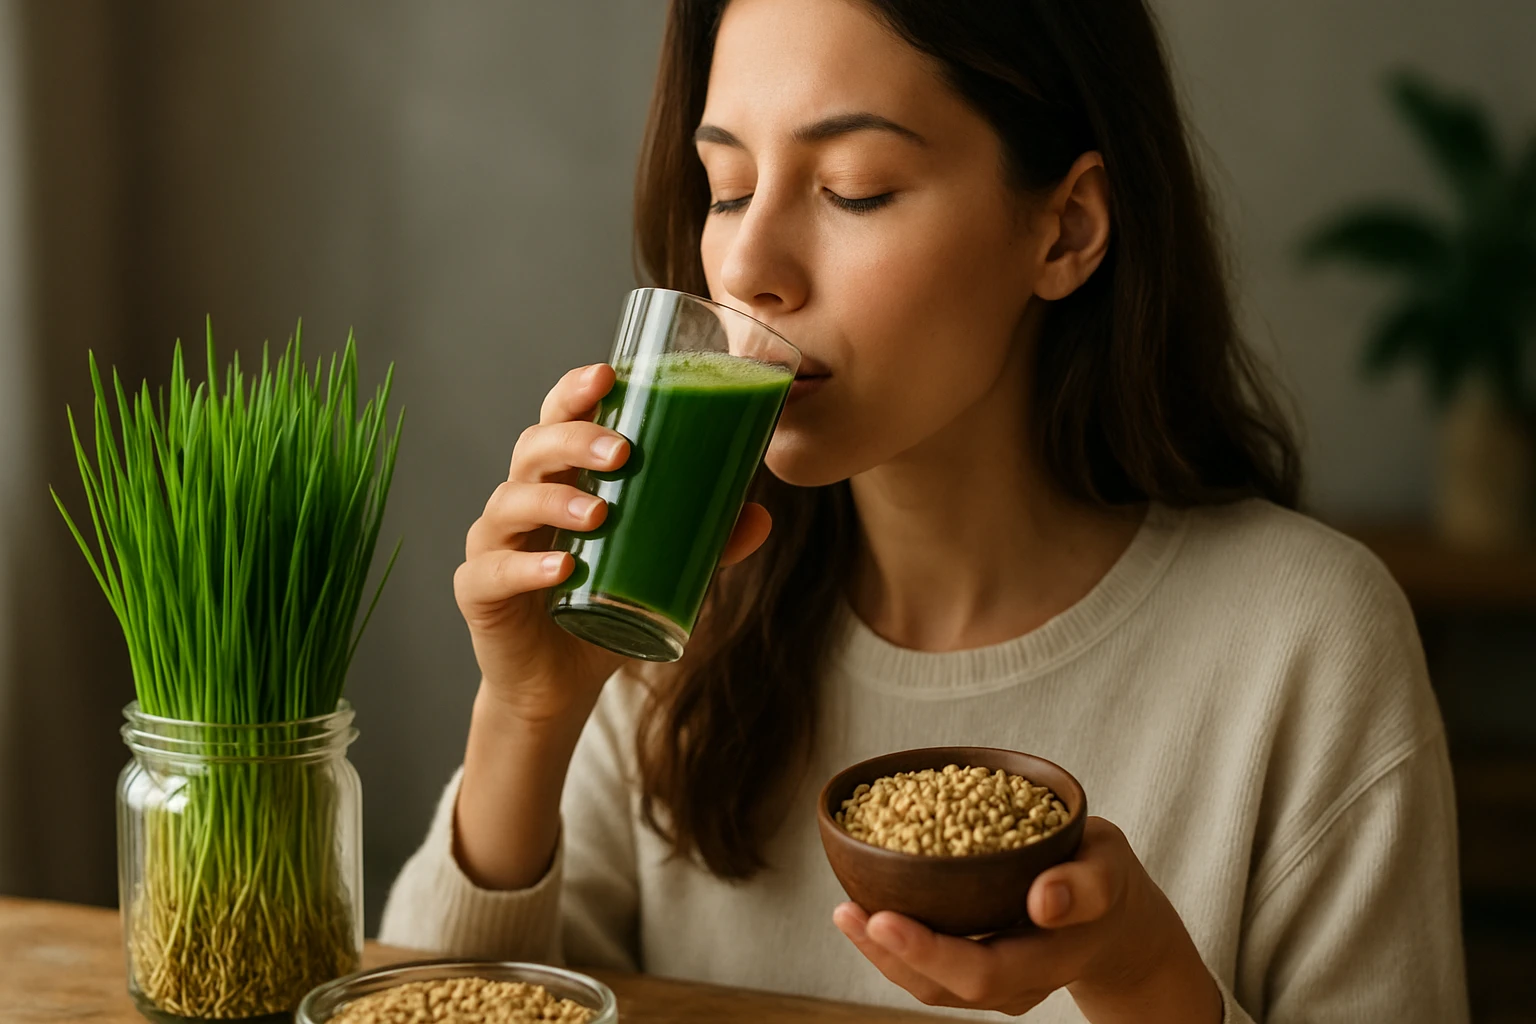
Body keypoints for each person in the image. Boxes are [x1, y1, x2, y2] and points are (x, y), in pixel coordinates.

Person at [380, 1, 1469, 1020]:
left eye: (853, 188)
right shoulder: (675, 617)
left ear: (1066, 230)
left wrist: (1140, 972)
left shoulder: (1304, 639)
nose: (748, 267)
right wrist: (526, 716)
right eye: (726, 188)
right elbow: (428, 998)